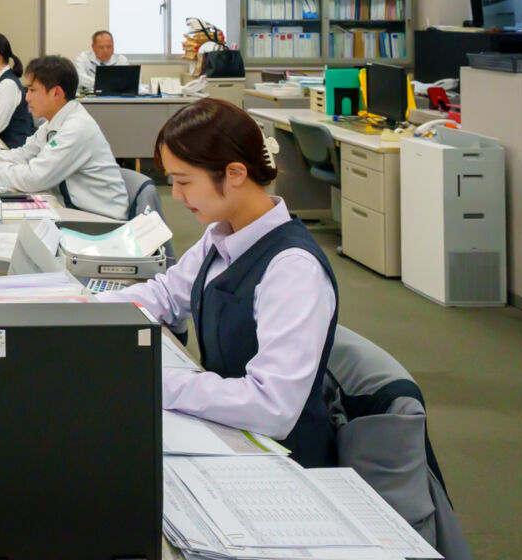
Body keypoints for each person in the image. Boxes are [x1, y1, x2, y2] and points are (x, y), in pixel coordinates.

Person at [94, 99, 339, 467]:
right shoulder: (222, 234)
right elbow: (166, 295)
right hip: (231, 432)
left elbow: (272, 405)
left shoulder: (293, 268)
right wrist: (81, 313)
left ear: (235, 173)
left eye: (184, 181)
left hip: (284, 460)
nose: (176, 195)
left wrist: (155, 381)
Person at [0, 55, 129, 220]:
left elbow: (34, 178)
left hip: (100, 221)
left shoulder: (76, 127)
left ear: (56, 92)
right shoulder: (54, 123)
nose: (27, 97)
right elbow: (24, 155)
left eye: (32, 90)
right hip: (74, 210)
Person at [75, 29, 129, 94]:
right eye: (101, 47)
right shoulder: (84, 58)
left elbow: (126, 82)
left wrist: (102, 83)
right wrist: (105, 83)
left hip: (115, 97)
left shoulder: (121, 60)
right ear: (93, 47)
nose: (105, 51)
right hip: (90, 97)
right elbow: (80, 78)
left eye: (109, 47)